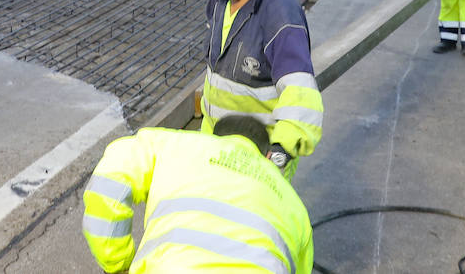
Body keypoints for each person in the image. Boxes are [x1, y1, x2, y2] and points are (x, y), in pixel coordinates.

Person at [81, 116, 314, 273]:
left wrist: (117, 261)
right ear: (265, 156)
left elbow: (110, 180)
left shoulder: (177, 145)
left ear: (212, 138)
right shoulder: (294, 204)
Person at [200, 0, 322, 181]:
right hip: (216, 143)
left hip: (259, 155)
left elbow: (300, 92)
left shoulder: (280, 14)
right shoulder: (220, 1)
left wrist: (279, 152)